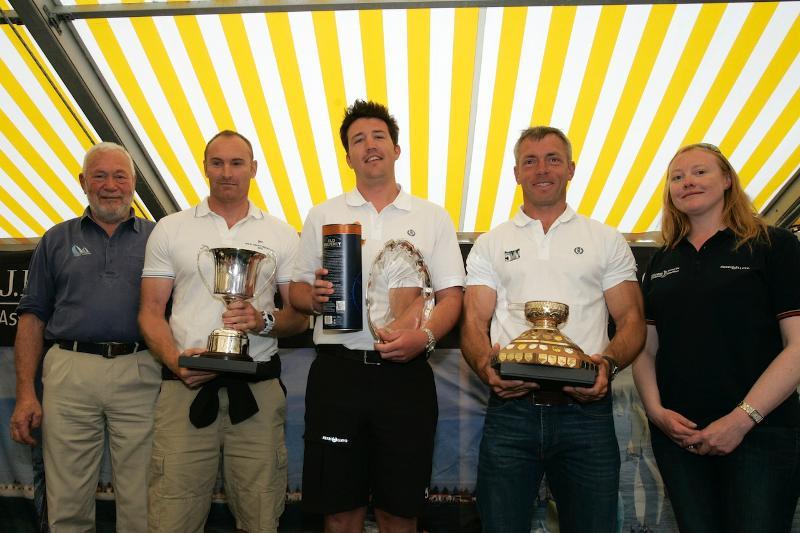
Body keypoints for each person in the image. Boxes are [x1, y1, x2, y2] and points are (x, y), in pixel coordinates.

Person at [289, 100, 464, 533]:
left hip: (406, 380)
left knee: (400, 510)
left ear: (396, 149)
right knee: (339, 510)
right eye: (357, 140)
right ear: (348, 156)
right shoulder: (323, 215)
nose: (369, 145)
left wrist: (424, 340)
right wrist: (312, 299)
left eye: (378, 136)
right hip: (337, 375)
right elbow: (295, 291)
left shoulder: (432, 216)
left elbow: (452, 298)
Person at [461, 126, 646, 533]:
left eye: (552, 159)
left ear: (571, 169)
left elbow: (632, 320)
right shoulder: (491, 243)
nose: (541, 169)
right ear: (516, 173)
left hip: (586, 411)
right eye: (530, 161)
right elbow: (473, 322)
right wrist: (484, 366)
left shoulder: (605, 239)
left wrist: (606, 367)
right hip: (511, 410)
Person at [138, 130, 307, 532]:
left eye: (236, 163)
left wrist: (263, 321)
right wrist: (177, 364)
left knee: (262, 516)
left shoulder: (282, 233)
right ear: (204, 168)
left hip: (258, 391)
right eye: (217, 163)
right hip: (185, 388)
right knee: (172, 518)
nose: (226, 172)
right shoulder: (170, 229)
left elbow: (299, 317)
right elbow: (149, 312)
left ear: (253, 169)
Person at [631, 143, 800, 532]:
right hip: (680, 438)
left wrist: (742, 420)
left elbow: (797, 347)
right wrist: (657, 414)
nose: (687, 181)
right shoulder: (660, 260)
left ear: (727, 180)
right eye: (677, 177)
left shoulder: (774, 246)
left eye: (699, 172)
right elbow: (644, 350)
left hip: (761, 435)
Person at [9, 142, 160, 532]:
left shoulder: (160, 239)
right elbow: (31, 318)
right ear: (82, 182)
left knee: (144, 499)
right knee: (67, 500)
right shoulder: (55, 240)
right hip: (69, 370)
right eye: (100, 175)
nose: (110, 185)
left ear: (134, 183)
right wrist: (26, 391)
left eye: (120, 175)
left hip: (141, 369)